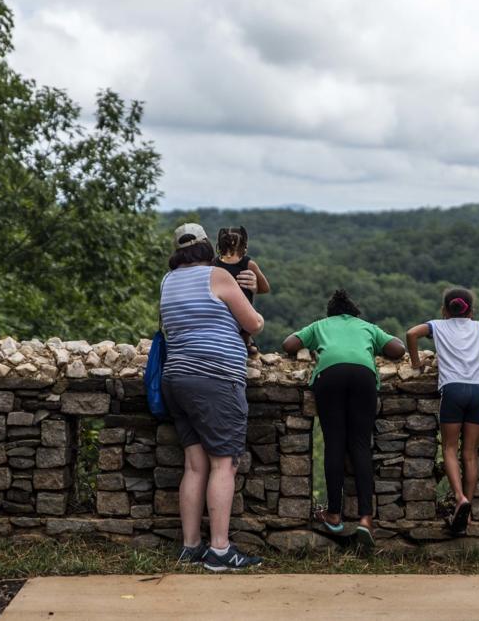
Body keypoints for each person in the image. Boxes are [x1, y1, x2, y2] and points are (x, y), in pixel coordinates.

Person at [160, 223, 265, 571]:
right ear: (206, 246)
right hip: (215, 379)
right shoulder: (217, 276)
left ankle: (190, 547)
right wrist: (249, 295)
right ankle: (219, 550)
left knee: (194, 464)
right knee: (224, 463)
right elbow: (253, 323)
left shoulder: (167, 281)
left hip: (175, 378)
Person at [282, 289, 405, 553]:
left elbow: (288, 344)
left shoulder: (320, 326)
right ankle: (365, 519)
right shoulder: (367, 327)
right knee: (360, 446)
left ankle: (334, 514)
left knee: (335, 444)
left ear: (331, 313)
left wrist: (313, 342)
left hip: (330, 376)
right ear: (353, 313)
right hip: (363, 377)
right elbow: (398, 348)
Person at [405, 287, 479, 535]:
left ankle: (459, 497)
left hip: (452, 390)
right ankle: (467, 512)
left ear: (444, 310)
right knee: (470, 453)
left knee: (449, 448)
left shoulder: (437, 325)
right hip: (478, 391)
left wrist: (416, 363)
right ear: (470, 310)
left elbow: (411, 334)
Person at [213, 226, 271, 355]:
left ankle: (245, 338)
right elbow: (266, 288)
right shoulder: (248, 264)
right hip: (236, 318)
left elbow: (264, 287)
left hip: (228, 316)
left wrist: (254, 287)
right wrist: (255, 288)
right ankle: (245, 339)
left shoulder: (214, 264)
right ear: (244, 246)